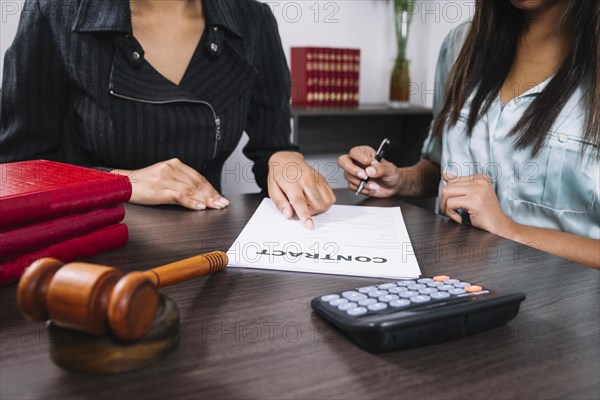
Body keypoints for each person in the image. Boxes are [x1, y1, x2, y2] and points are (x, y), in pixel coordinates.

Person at [0, 0, 335, 230]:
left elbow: (274, 144)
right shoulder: (56, 11)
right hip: (92, 253)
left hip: (213, 254)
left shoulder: (253, 20)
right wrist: (120, 182)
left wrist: (285, 163)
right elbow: (18, 170)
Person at [338, 0, 599, 268]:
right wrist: (400, 181)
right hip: (454, 280)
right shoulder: (461, 43)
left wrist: (510, 230)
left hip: (563, 302)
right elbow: (440, 167)